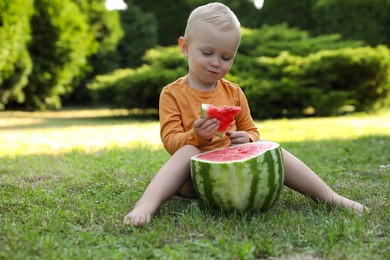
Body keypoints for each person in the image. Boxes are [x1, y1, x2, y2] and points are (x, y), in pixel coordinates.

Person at [123, 2, 368, 227]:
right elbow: (170, 142)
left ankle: (331, 198)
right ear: (185, 47)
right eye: (207, 53)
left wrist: (247, 139)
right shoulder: (172, 93)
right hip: (193, 180)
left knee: (272, 148)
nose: (216, 63)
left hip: (238, 172)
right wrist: (195, 137)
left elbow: (252, 130)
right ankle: (146, 205)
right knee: (188, 152)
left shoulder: (235, 92)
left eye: (226, 57)